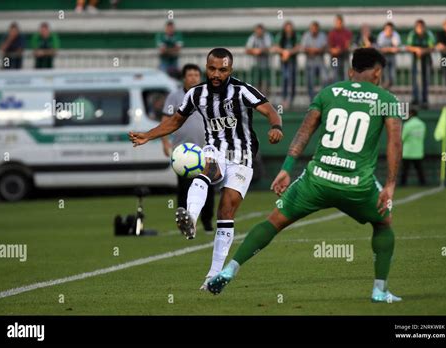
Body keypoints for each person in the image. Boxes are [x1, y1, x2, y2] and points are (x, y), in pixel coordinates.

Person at [207, 48, 404, 304]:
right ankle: (379, 290)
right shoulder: (386, 99)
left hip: (317, 179)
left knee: (274, 221)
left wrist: (287, 168)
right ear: (377, 71)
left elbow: (304, 131)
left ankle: (230, 268)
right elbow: (395, 144)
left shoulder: (329, 93)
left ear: (350, 70)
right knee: (383, 225)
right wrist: (389, 184)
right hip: (357, 184)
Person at [128, 48, 283, 290]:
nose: (217, 74)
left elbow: (269, 109)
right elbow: (175, 120)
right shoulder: (195, 94)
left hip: (242, 154)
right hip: (214, 150)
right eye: (212, 69)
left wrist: (276, 126)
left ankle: (213, 275)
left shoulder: (242, 90)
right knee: (207, 173)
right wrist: (148, 135)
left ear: (230, 70)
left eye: (222, 70)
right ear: (206, 68)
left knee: (226, 211)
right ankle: (190, 217)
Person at [161, 64, 215, 232]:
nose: (193, 77)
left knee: (208, 187)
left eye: (196, 74)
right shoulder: (174, 96)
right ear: (184, 77)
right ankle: (185, 223)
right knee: (184, 189)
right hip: (183, 152)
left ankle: (207, 222)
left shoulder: (208, 95)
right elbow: (166, 119)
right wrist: (164, 141)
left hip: (206, 149)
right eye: (190, 74)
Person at [406, 19, 436, 108]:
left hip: (426, 59)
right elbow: (408, 47)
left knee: (425, 79)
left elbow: (432, 47)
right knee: (415, 79)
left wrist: (423, 51)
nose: (420, 29)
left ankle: (424, 99)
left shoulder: (428, 34)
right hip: (416, 60)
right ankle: (415, 98)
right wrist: (417, 50)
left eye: (421, 27)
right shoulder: (412, 34)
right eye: (418, 27)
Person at [273, 21, 300, 109]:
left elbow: (298, 47)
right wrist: (284, 52)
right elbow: (276, 47)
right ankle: (284, 99)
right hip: (284, 62)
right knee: (285, 79)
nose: (288, 29)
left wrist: (288, 52)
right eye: (287, 27)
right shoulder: (281, 35)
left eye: (290, 27)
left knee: (292, 80)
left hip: (292, 61)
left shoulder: (295, 35)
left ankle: (291, 99)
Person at [301, 21, 327, 101]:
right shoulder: (306, 35)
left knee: (325, 79)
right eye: (312, 29)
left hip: (320, 62)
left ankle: (323, 99)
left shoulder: (322, 35)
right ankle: (312, 100)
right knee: (310, 82)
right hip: (310, 62)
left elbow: (323, 47)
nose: (314, 30)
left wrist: (314, 50)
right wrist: (314, 50)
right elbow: (304, 47)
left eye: (315, 29)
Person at [400, 109, 426, 186]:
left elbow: (402, 138)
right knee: (419, 169)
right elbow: (423, 136)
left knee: (405, 170)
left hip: (408, 151)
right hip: (418, 151)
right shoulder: (422, 124)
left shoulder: (407, 124)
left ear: (411, 114)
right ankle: (423, 183)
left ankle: (403, 184)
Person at [246, 24, 273, 96]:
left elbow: (269, 48)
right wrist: (254, 51)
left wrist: (259, 50)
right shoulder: (252, 37)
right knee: (256, 81)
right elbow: (247, 50)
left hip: (266, 64)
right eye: (257, 30)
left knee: (267, 81)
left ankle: (267, 98)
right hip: (255, 64)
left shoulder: (267, 36)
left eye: (260, 30)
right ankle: (257, 97)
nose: (259, 32)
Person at [377, 22, 401, 89]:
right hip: (383, 58)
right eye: (387, 29)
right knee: (385, 77)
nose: (389, 31)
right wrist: (391, 49)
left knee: (392, 77)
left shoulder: (395, 35)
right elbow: (380, 48)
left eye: (390, 29)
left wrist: (387, 49)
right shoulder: (381, 35)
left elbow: (397, 48)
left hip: (392, 58)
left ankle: (387, 91)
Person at [328, 15, 352, 83]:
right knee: (335, 73)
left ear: (342, 23)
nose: (337, 24)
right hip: (334, 57)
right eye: (336, 22)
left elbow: (347, 45)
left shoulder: (347, 32)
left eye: (339, 22)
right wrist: (333, 50)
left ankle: (345, 90)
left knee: (345, 73)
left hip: (344, 56)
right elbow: (329, 46)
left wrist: (339, 49)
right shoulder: (332, 33)